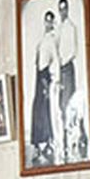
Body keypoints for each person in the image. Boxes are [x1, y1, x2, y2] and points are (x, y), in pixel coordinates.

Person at [29, 10, 57, 165]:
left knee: (45, 109)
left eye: (50, 21)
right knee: (37, 108)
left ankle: (48, 142)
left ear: (53, 23)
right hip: (38, 75)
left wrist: (50, 78)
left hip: (45, 75)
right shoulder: (42, 39)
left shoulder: (52, 40)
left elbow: (55, 60)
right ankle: (37, 144)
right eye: (46, 21)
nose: (48, 24)